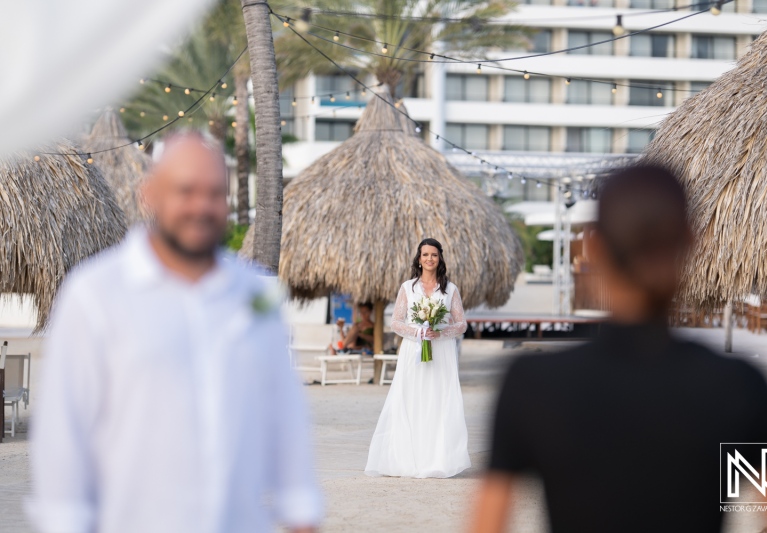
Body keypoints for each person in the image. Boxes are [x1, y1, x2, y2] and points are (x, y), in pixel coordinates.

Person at [471, 164, 767, 533]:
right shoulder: (740, 387)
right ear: (689, 243)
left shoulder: (533, 385)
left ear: (592, 247)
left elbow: (487, 525)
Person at [27, 132, 322, 533]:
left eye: (215, 193)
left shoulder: (257, 295)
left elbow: (285, 415)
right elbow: (64, 436)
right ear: (150, 195)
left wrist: (300, 509)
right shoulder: (95, 294)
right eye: (186, 191)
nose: (202, 205)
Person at [365, 238, 471, 478]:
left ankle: (437, 459)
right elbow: (396, 322)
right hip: (413, 351)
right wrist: (419, 332)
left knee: (438, 400)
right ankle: (407, 458)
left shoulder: (450, 289)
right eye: (425, 255)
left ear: (440, 258)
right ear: (419, 258)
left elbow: (462, 323)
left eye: (434, 255)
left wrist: (440, 332)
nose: (429, 259)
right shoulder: (407, 288)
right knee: (412, 399)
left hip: (442, 351)